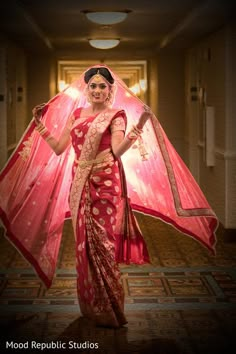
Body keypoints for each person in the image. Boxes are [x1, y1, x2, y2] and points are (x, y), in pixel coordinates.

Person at [0, 64, 218, 328]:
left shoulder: (116, 115)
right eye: (93, 85)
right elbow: (59, 149)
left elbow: (116, 151)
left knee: (103, 245)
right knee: (83, 246)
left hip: (105, 183)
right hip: (79, 183)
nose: (97, 90)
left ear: (109, 89)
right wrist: (40, 125)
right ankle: (91, 306)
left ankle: (111, 308)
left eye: (102, 85)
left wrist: (139, 125)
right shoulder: (77, 114)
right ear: (87, 89)